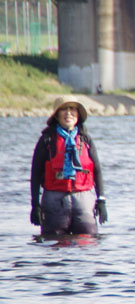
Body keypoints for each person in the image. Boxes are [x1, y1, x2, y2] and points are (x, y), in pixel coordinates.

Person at [30, 97, 108, 237]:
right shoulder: (46, 140)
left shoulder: (86, 140)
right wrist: (35, 205)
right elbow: (35, 174)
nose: (68, 113)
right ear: (56, 115)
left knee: (88, 241)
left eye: (72, 109)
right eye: (64, 109)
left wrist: (101, 200)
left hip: (83, 199)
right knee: (54, 242)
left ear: (78, 115)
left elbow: (97, 171)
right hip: (54, 200)